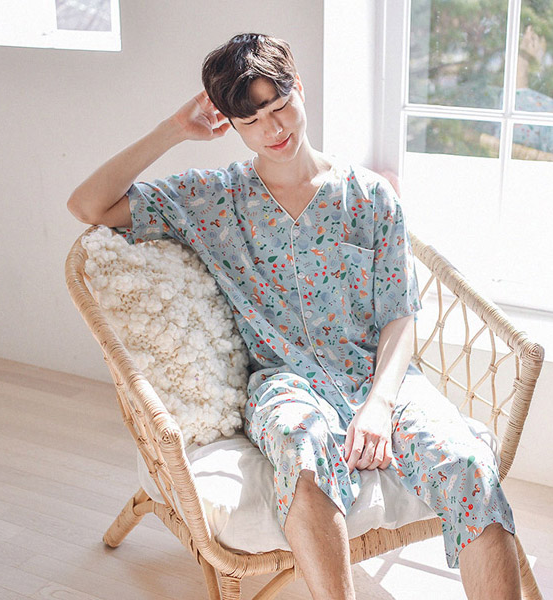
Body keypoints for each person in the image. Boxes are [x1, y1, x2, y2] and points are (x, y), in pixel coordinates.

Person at [68, 33, 522, 600]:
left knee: (470, 466)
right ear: (232, 125)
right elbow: (87, 205)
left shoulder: (369, 196)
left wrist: (379, 405)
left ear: (299, 87)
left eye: (279, 105)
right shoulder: (212, 200)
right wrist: (174, 129)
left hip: (379, 379)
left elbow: (399, 314)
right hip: (283, 384)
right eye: (251, 120)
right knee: (303, 454)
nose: (273, 129)